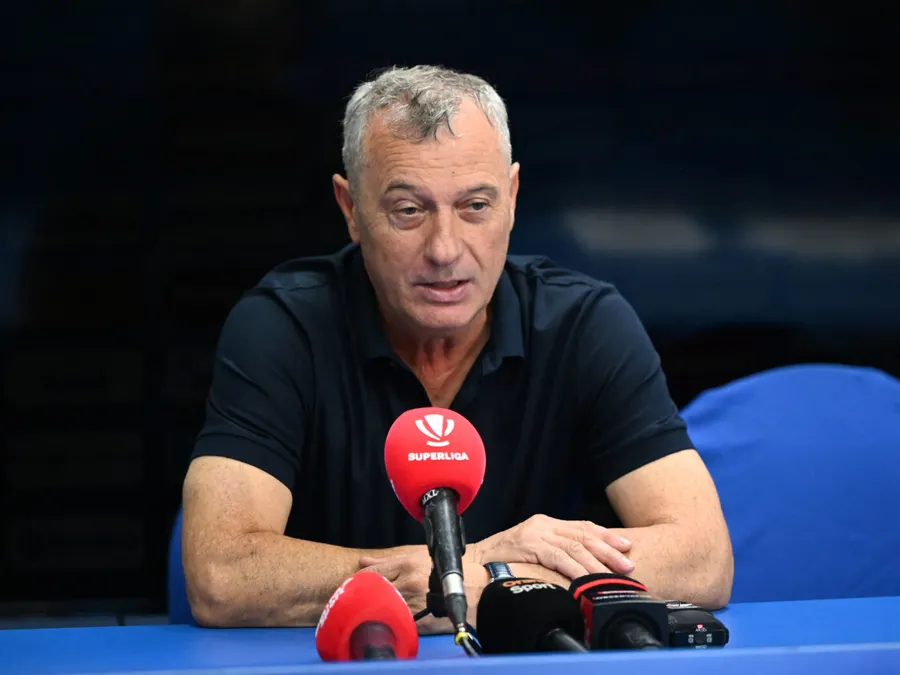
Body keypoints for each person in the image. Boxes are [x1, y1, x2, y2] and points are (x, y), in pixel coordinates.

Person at [180, 65, 733, 631]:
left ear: (512, 198)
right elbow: (222, 573)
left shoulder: (584, 324)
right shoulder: (282, 327)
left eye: (475, 206)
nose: (444, 249)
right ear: (351, 209)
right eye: (409, 210)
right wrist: (477, 567)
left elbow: (702, 557)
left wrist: (490, 575)